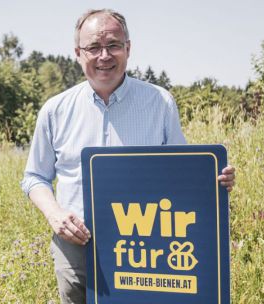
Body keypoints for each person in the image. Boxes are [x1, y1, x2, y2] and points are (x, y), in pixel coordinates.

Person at [20, 8, 236, 304]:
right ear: (78, 53)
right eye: (93, 47)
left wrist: (212, 180)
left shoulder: (159, 102)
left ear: (128, 48)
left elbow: (181, 173)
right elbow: (35, 177)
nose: (104, 55)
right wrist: (55, 215)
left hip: (147, 248)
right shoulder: (55, 111)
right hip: (78, 246)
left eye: (113, 45)